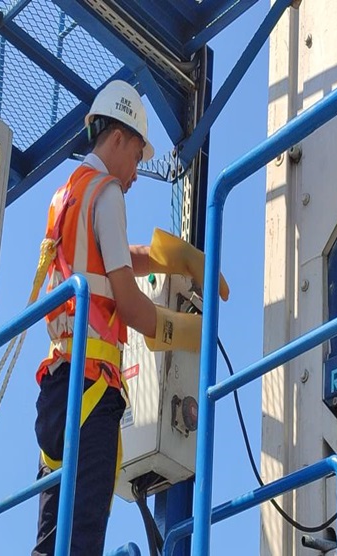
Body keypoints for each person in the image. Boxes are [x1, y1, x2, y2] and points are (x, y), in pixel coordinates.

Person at [31, 80, 229, 555]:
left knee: (52, 535)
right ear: (117, 138)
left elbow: (111, 261)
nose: (138, 174)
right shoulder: (108, 193)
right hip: (94, 387)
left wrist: (174, 257)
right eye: (139, 156)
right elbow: (128, 303)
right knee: (83, 535)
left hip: (58, 390)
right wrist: (188, 331)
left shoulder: (69, 194)